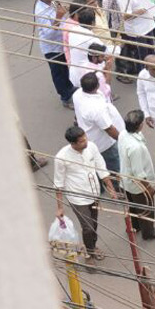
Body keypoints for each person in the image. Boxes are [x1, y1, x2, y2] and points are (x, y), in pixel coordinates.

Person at [54, 126, 117, 260]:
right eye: (81, 141)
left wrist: (111, 188)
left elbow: (101, 167)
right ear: (73, 143)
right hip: (77, 198)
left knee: (94, 224)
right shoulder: (61, 158)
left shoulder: (91, 147)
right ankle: (89, 253)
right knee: (87, 227)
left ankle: (92, 246)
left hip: (94, 192)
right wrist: (60, 208)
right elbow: (58, 183)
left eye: (85, 138)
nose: (85, 142)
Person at [73, 73, 124, 172]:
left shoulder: (77, 94)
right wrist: (124, 140)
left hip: (92, 137)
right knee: (116, 168)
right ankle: (117, 185)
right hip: (106, 145)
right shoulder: (96, 109)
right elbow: (109, 129)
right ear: (97, 86)